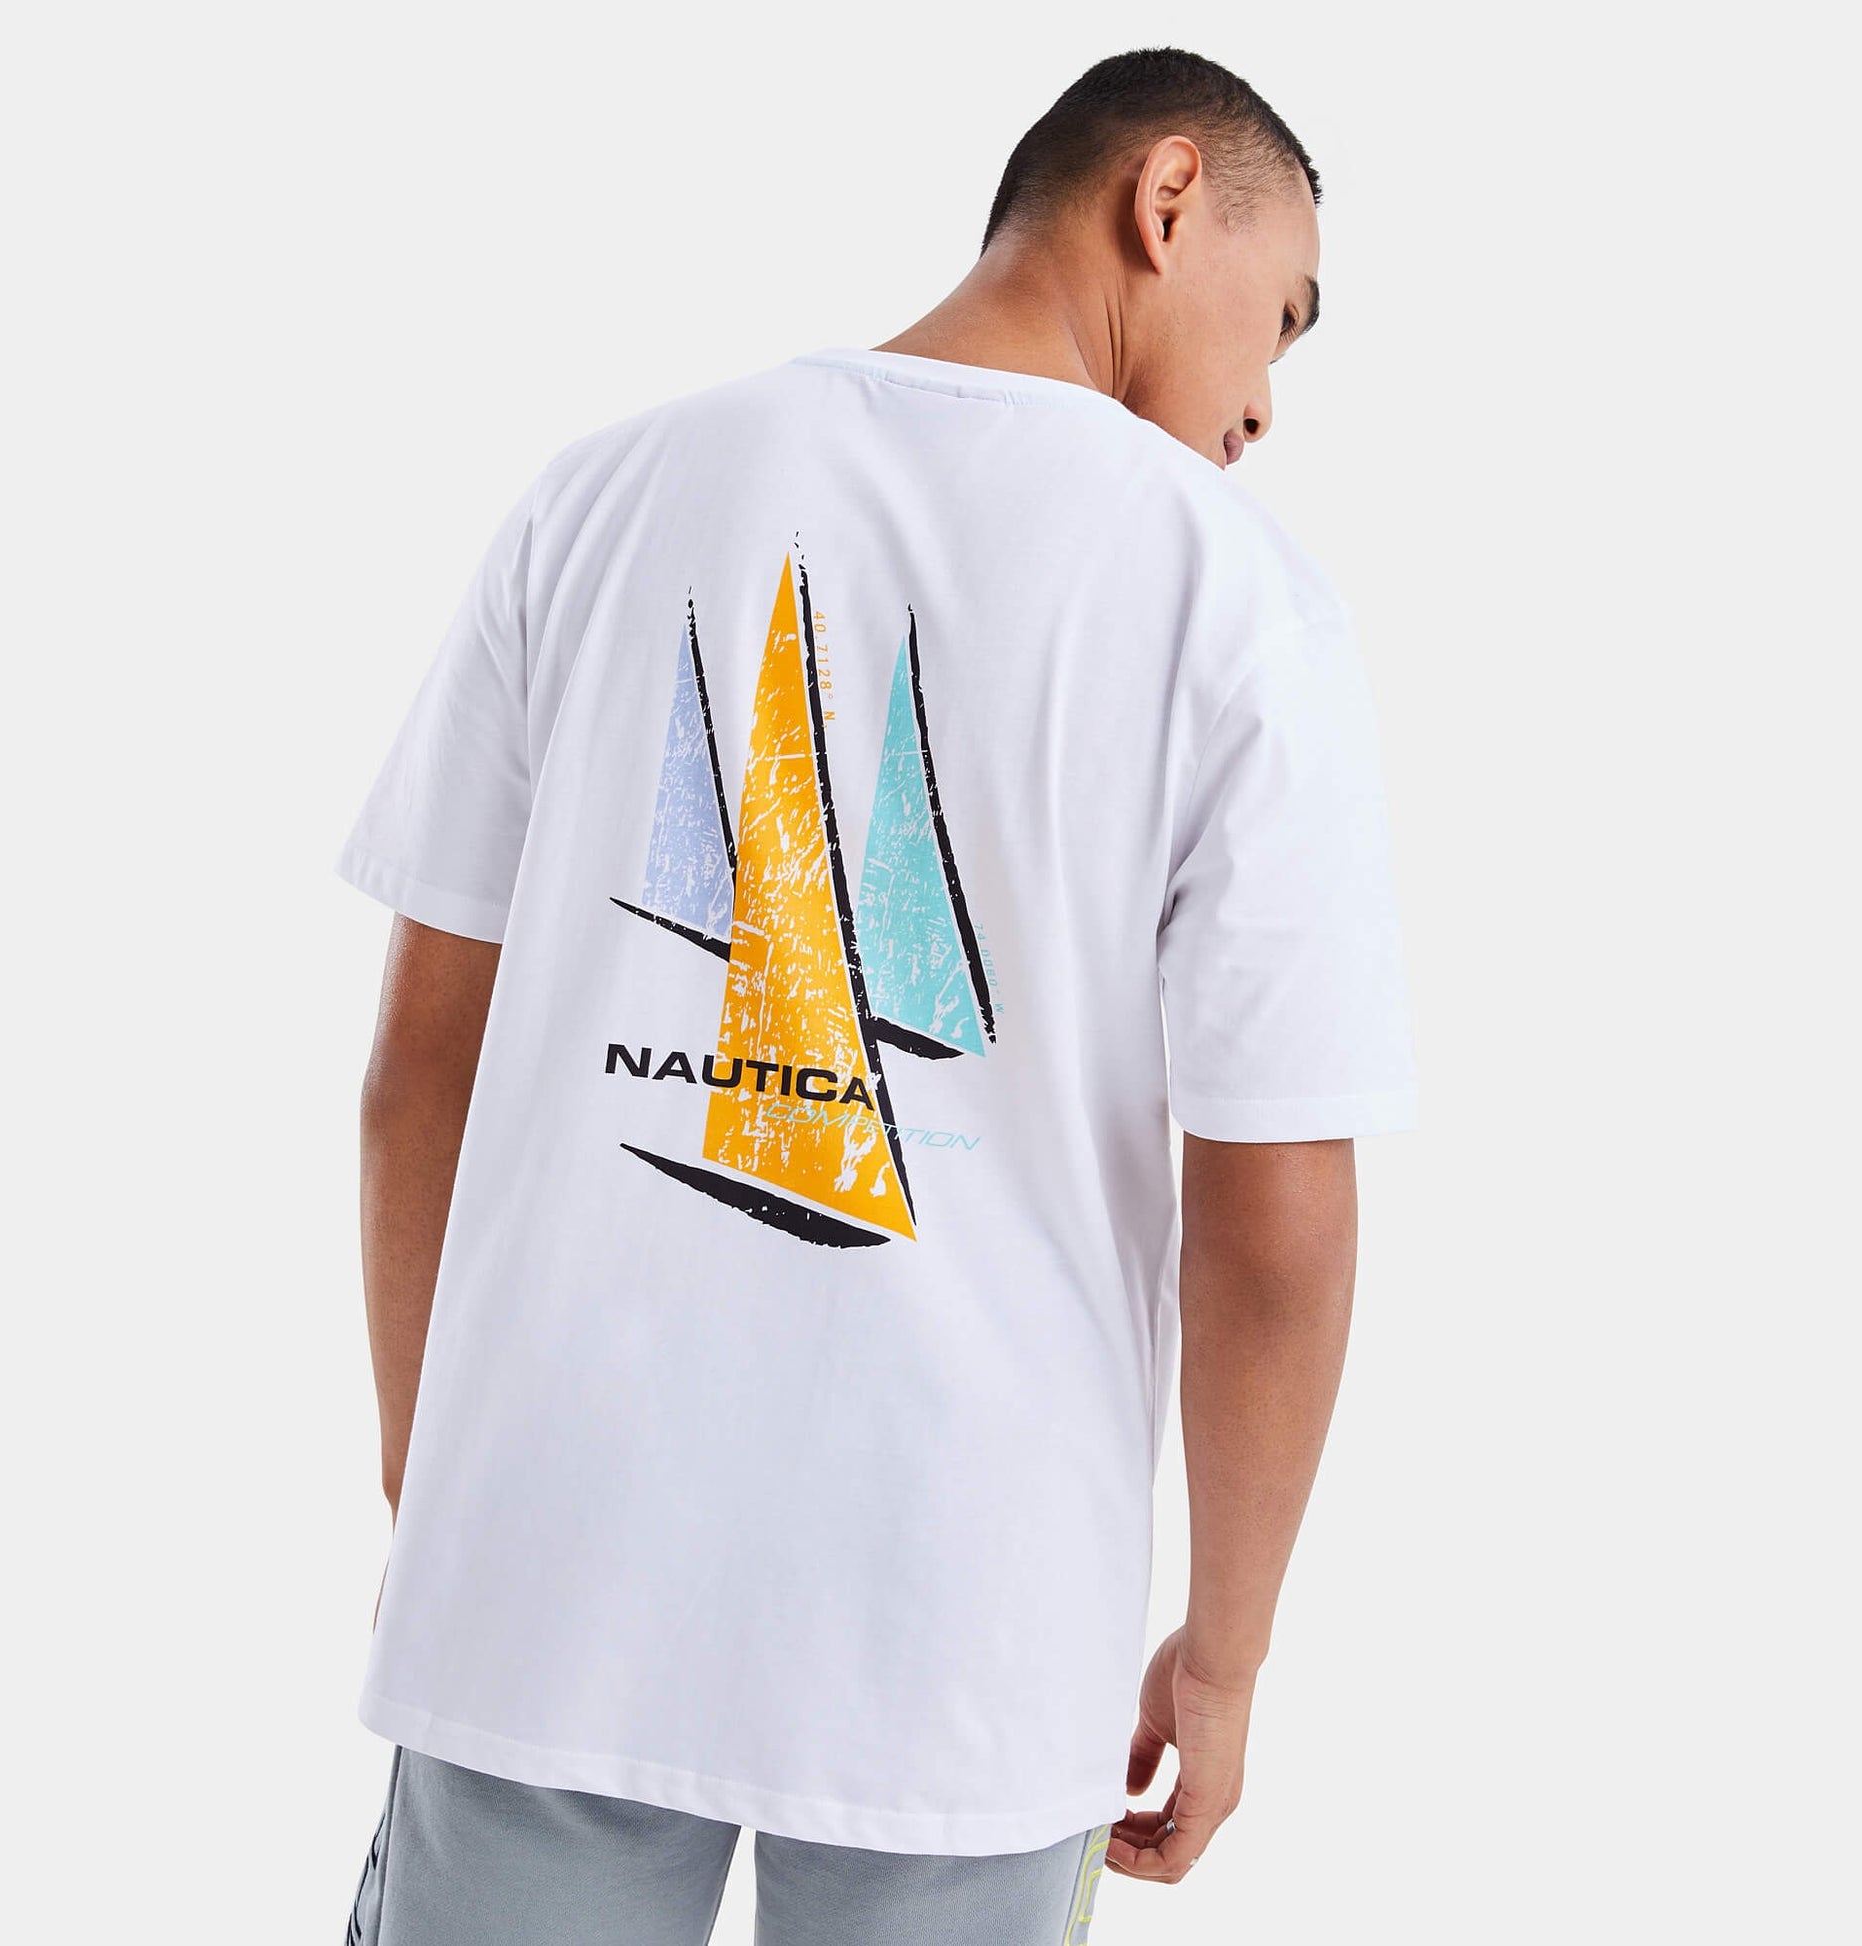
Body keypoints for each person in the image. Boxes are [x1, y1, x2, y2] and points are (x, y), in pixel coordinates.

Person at [336, 45, 1414, 1944]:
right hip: (971, 1654)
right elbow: (1276, 1213)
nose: (1264, 405)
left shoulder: (604, 491)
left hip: (548, 1588)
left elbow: (420, 1071)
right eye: (1283, 319)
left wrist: (447, 1505)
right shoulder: (1234, 600)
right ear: (1166, 199)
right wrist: (1226, 1653)